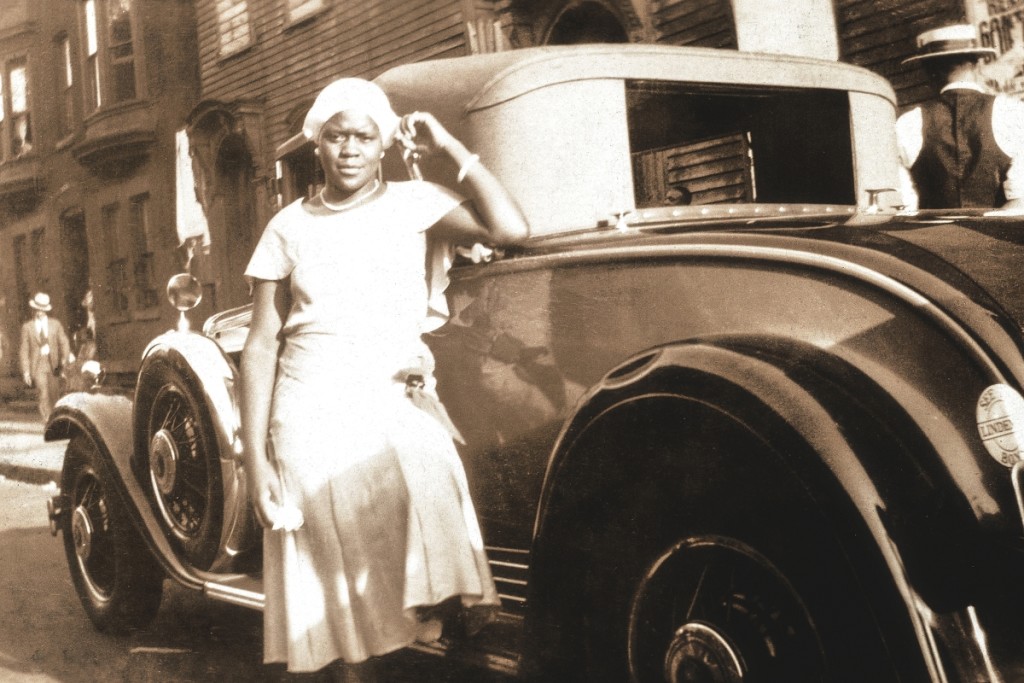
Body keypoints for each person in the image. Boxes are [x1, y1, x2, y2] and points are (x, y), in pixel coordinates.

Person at [239, 78, 529, 678]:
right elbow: (262, 343)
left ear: (383, 144)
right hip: (308, 405)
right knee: (340, 582)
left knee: (430, 466)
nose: (349, 149)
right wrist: (256, 461)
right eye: (337, 136)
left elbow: (510, 229)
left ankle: (448, 614)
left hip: (390, 394)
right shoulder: (286, 227)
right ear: (317, 145)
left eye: (364, 137)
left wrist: (449, 145)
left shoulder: (416, 202)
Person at [897, 23, 1024, 210]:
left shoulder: (908, 123)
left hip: (930, 237)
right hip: (995, 237)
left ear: (929, 73)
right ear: (977, 64)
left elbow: (905, 205)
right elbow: (1021, 200)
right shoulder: (1012, 111)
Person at [19, 292, 73, 421]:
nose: (39, 312)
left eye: (42, 309)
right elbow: (24, 350)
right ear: (34, 309)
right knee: (42, 393)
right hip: (37, 366)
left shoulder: (55, 324)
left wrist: (64, 359)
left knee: (54, 393)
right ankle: (47, 420)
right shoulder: (27, 327)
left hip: (54, 365)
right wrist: (26, 371)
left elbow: (64, 342)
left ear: (46, 309)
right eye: (37, 309)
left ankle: (55, 420)